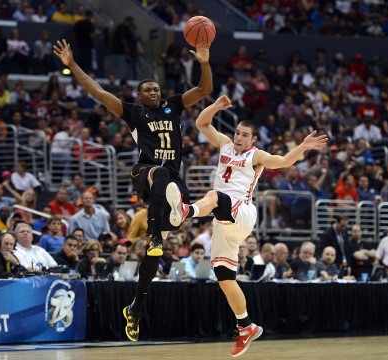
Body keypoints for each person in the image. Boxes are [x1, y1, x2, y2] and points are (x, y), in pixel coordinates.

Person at [53, 37, 213, 341]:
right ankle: (153, 234)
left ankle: (136, 307)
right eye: (147, 89)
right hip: (145, 173)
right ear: (139, 96)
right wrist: (72, 64)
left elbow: (205, 90)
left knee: (170, 231)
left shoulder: (175, 105)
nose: (153, 91)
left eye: (156, 88)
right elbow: (97, 91)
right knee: (161, 176)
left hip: (169, 182)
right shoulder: (133, 113)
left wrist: (204, 63)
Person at [164, 95, 327, 356]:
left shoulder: (256, 156)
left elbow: (284, 161)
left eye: (244, 135)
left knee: (214, 196)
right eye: (237, 133)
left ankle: (185, 211)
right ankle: (246, 325)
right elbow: (201, 124)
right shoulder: (225, 145)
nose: (238, 138)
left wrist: (303, 147)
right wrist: (215, 107)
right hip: (223, 221)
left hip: (242, 212)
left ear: (253, 140)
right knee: (225, 279)